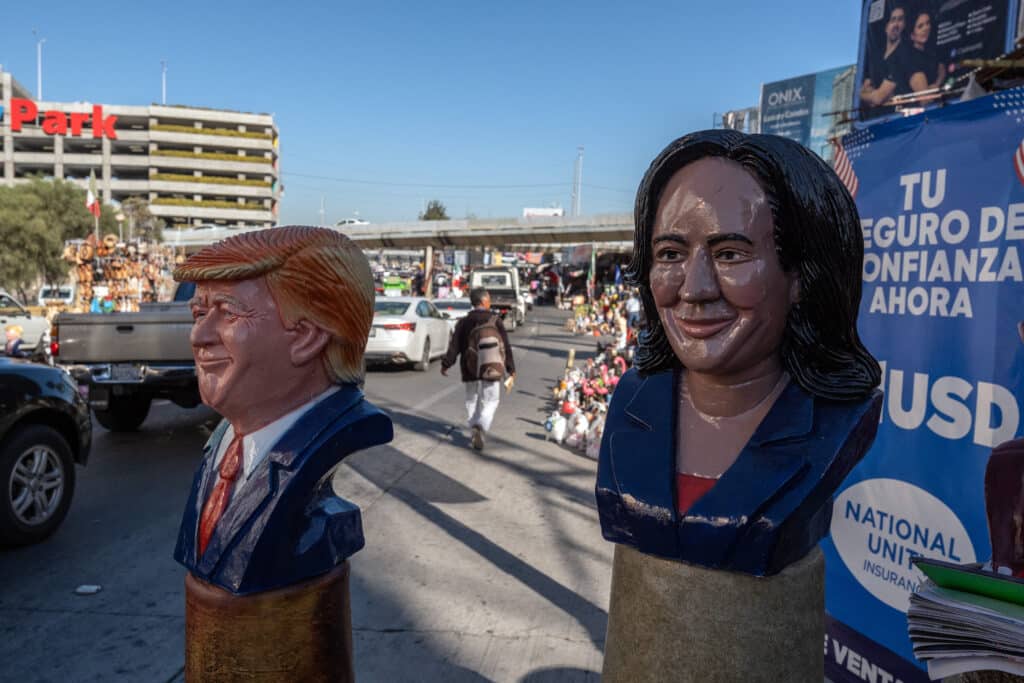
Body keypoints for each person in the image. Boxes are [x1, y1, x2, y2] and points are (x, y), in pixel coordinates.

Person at [595, 130, 883, 681]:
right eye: (671, 255)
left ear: (802, 275)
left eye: (730, 254)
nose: (695, 287)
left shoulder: (835, 420)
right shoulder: (631, 399)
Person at [172, 227, 393, 596]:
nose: (199, 336)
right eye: (199, 313)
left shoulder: (322, 441)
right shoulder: (223, 443)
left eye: (228, 313)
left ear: (307, 337)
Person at [441, 287, 515, 451]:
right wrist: (511, 369)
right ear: (483, 301)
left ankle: (474, 425)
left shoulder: (464, 322)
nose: (490, 302)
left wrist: (446, 364)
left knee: (471, 399)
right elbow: (506, 347)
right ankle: (482, 425)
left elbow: (455, 347)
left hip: (470, 367)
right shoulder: (496, 320)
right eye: (488, 299)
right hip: (492, 367)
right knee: (491, 400)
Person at [860, 4, 925, 114]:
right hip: (879, 120)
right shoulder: (877, 56)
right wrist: (869, 95)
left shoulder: (904, 54)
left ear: (904, 25)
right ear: (886, 27)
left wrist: (861, 95)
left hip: (901, 118)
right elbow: (866, 85)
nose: (896, 24)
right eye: (893, 20)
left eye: (900, 20)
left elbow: (878, 98)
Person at [908, 10, 945, 93]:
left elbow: (942, 70)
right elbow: (925, 96)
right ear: (912, 35)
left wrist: (936, 84)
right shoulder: (910, 59)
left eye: (928, 23)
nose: (926, 28)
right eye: (920, 26)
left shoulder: (933, 50)